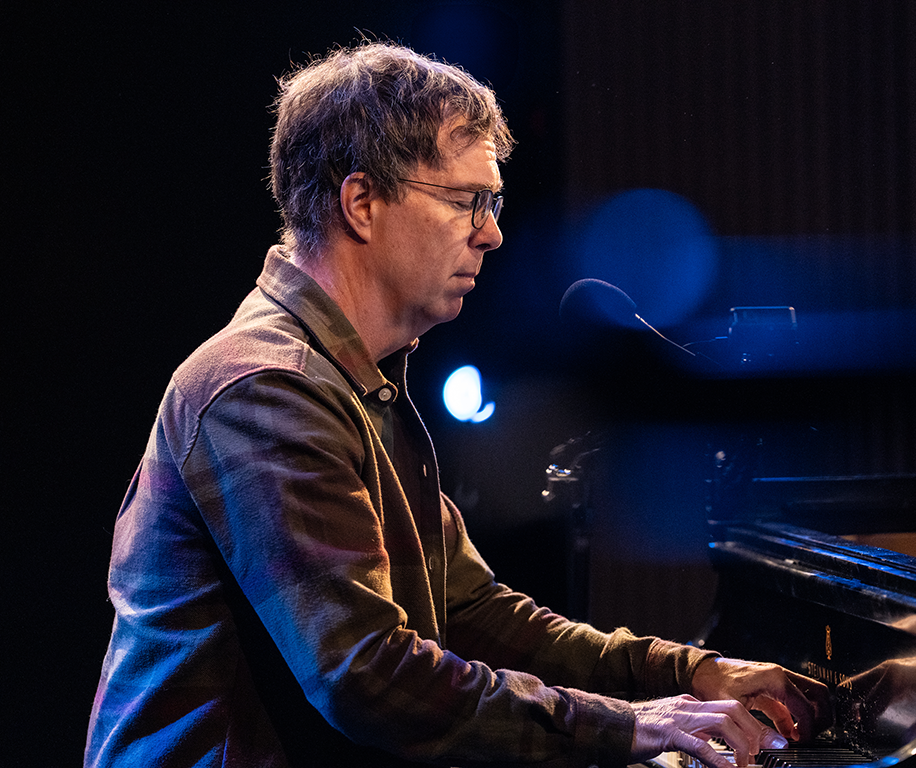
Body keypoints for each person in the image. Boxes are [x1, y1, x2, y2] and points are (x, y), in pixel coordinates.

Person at [84, 41, 829, 768]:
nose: (493, 233)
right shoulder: (265, 389)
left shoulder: (358, 381)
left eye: (494, 202)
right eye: (468, 201)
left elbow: (474, 612)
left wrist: (684, 676)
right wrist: (627, 728)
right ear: (362, 202)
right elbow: (369, 678)